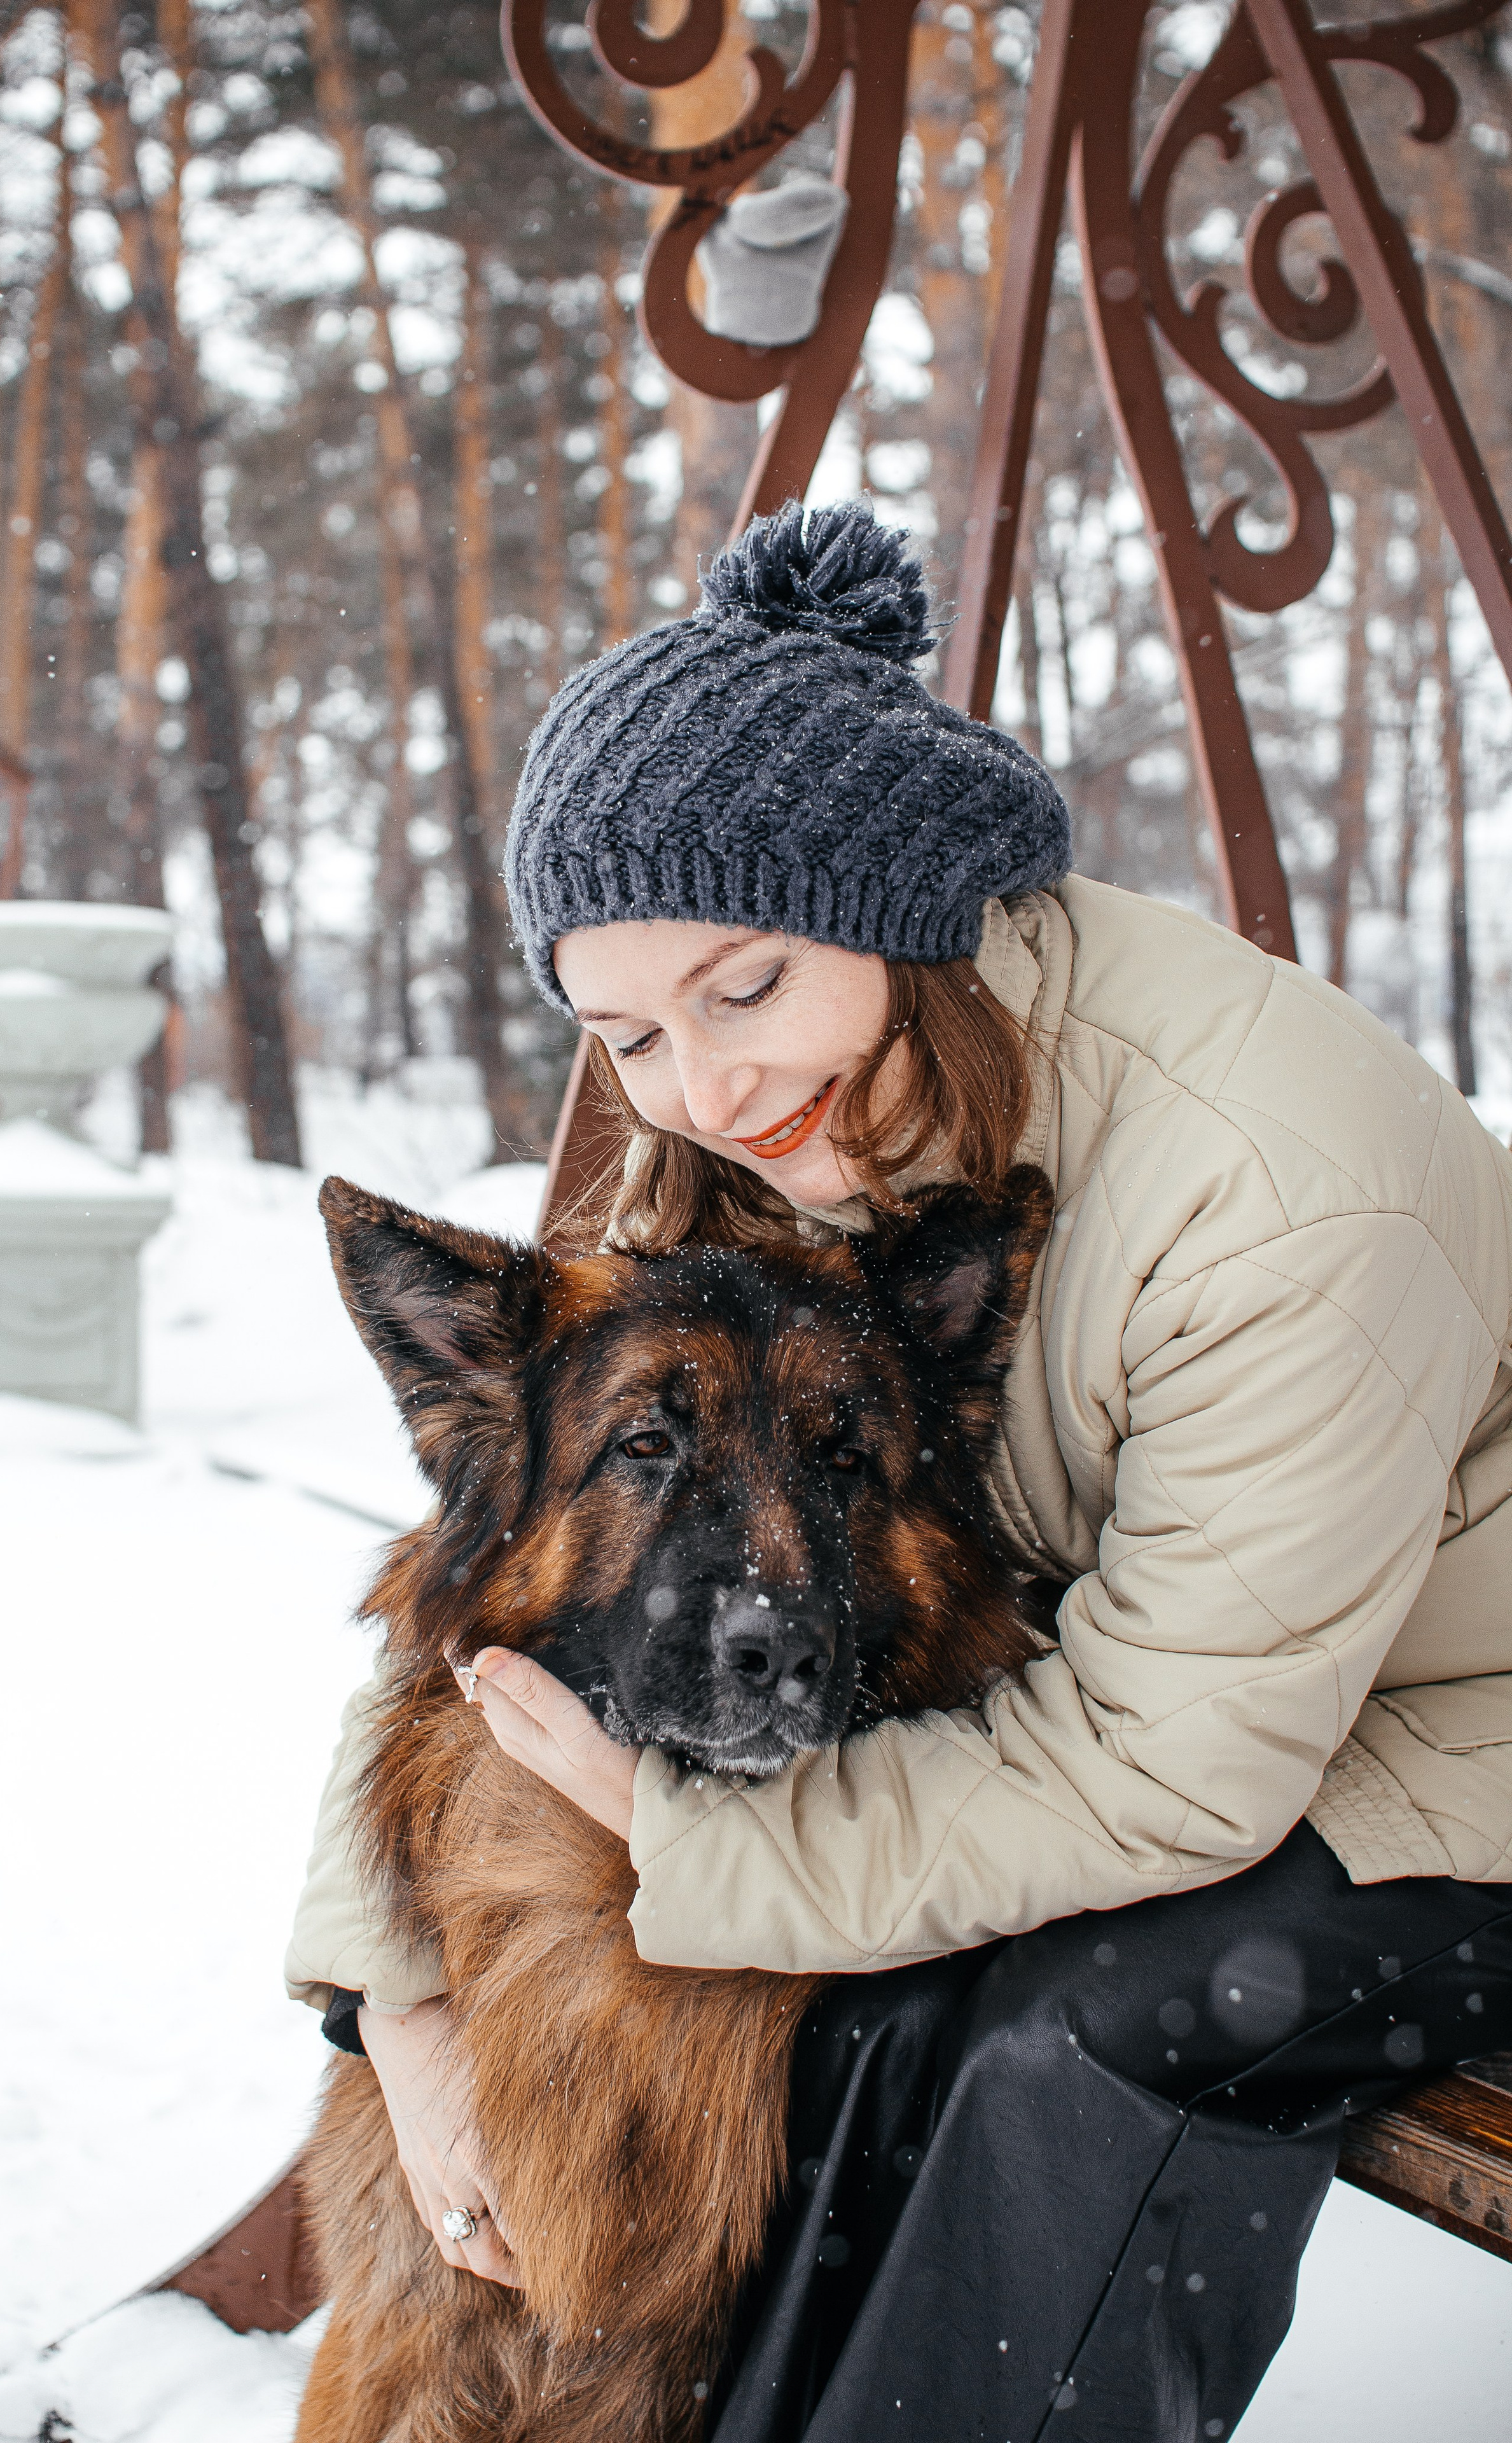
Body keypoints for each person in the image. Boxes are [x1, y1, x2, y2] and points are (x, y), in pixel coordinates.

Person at [286, 500, 1512, 2440]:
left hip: (1455, 1743)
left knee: (1086, 2032)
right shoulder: (776, 1125)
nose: (701, 1086)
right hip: (1204, 1701)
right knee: (862, 2002)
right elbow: (511, 1545)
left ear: (895, 902)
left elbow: (1168, 1773)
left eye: (745, 988)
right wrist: (394, 2000)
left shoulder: (1282, 1201)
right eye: (627, 1036)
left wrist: (704, 1846)